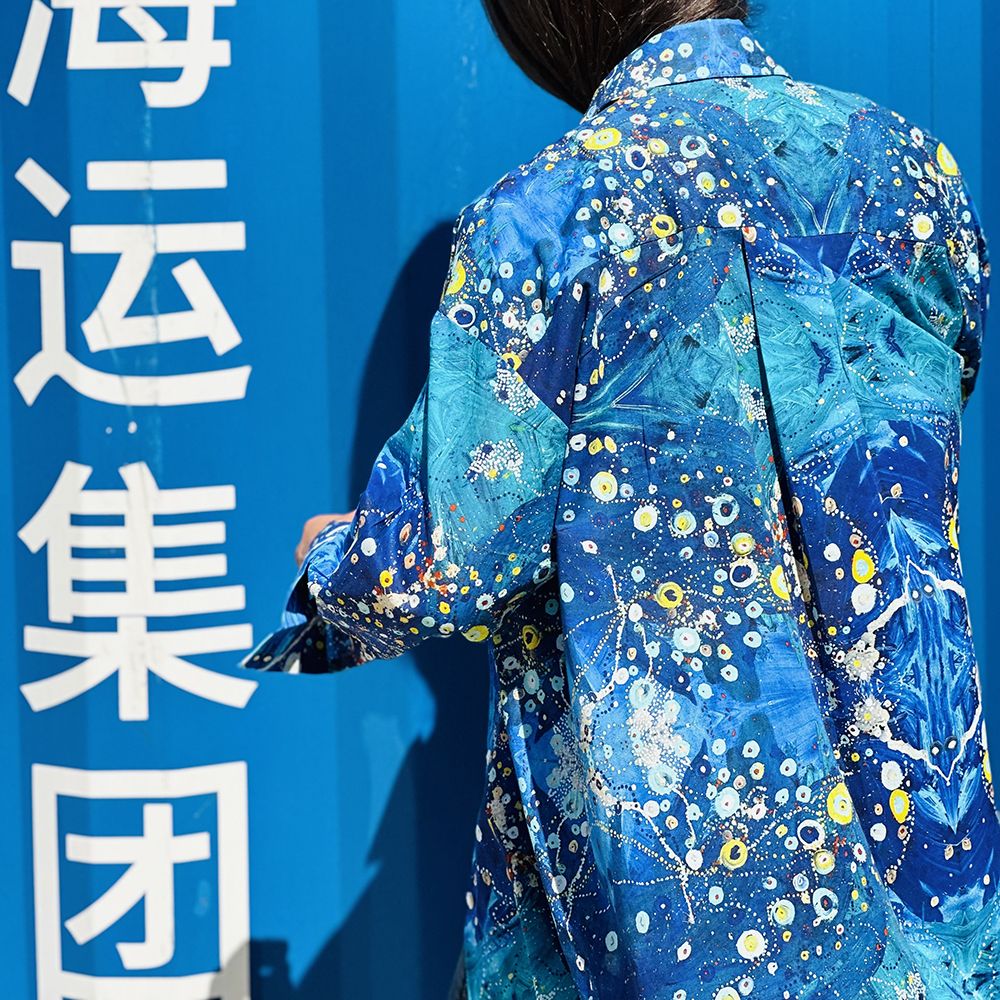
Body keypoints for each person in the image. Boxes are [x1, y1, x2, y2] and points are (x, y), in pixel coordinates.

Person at [244, 3, 996, 997]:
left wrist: (335, 563)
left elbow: (442, 561)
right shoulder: (909, 172)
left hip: (682, 899)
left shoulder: (550, 214)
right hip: (927, 862)